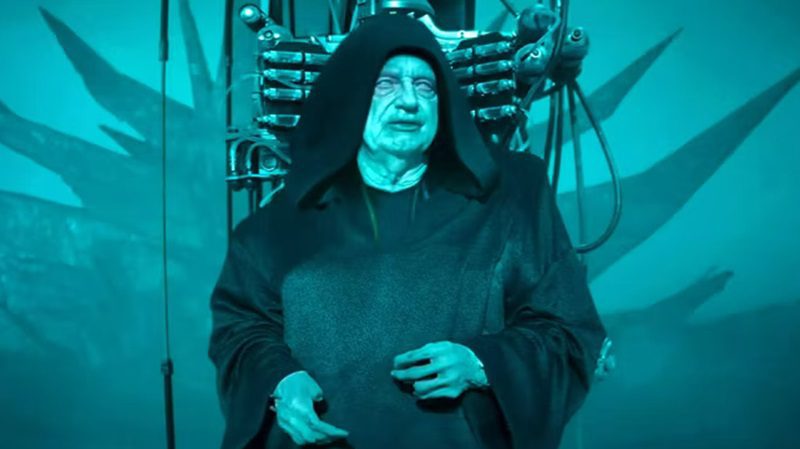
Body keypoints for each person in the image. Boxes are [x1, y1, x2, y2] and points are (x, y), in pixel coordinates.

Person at [208, 12, 607, 449]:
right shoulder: (279, 222)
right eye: (385, 84)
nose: (409, 102)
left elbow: (568, 330)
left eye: (425, 86)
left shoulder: (510, 197)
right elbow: (242, 328)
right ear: (350, 97)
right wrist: (279, 381)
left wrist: (481, 363)